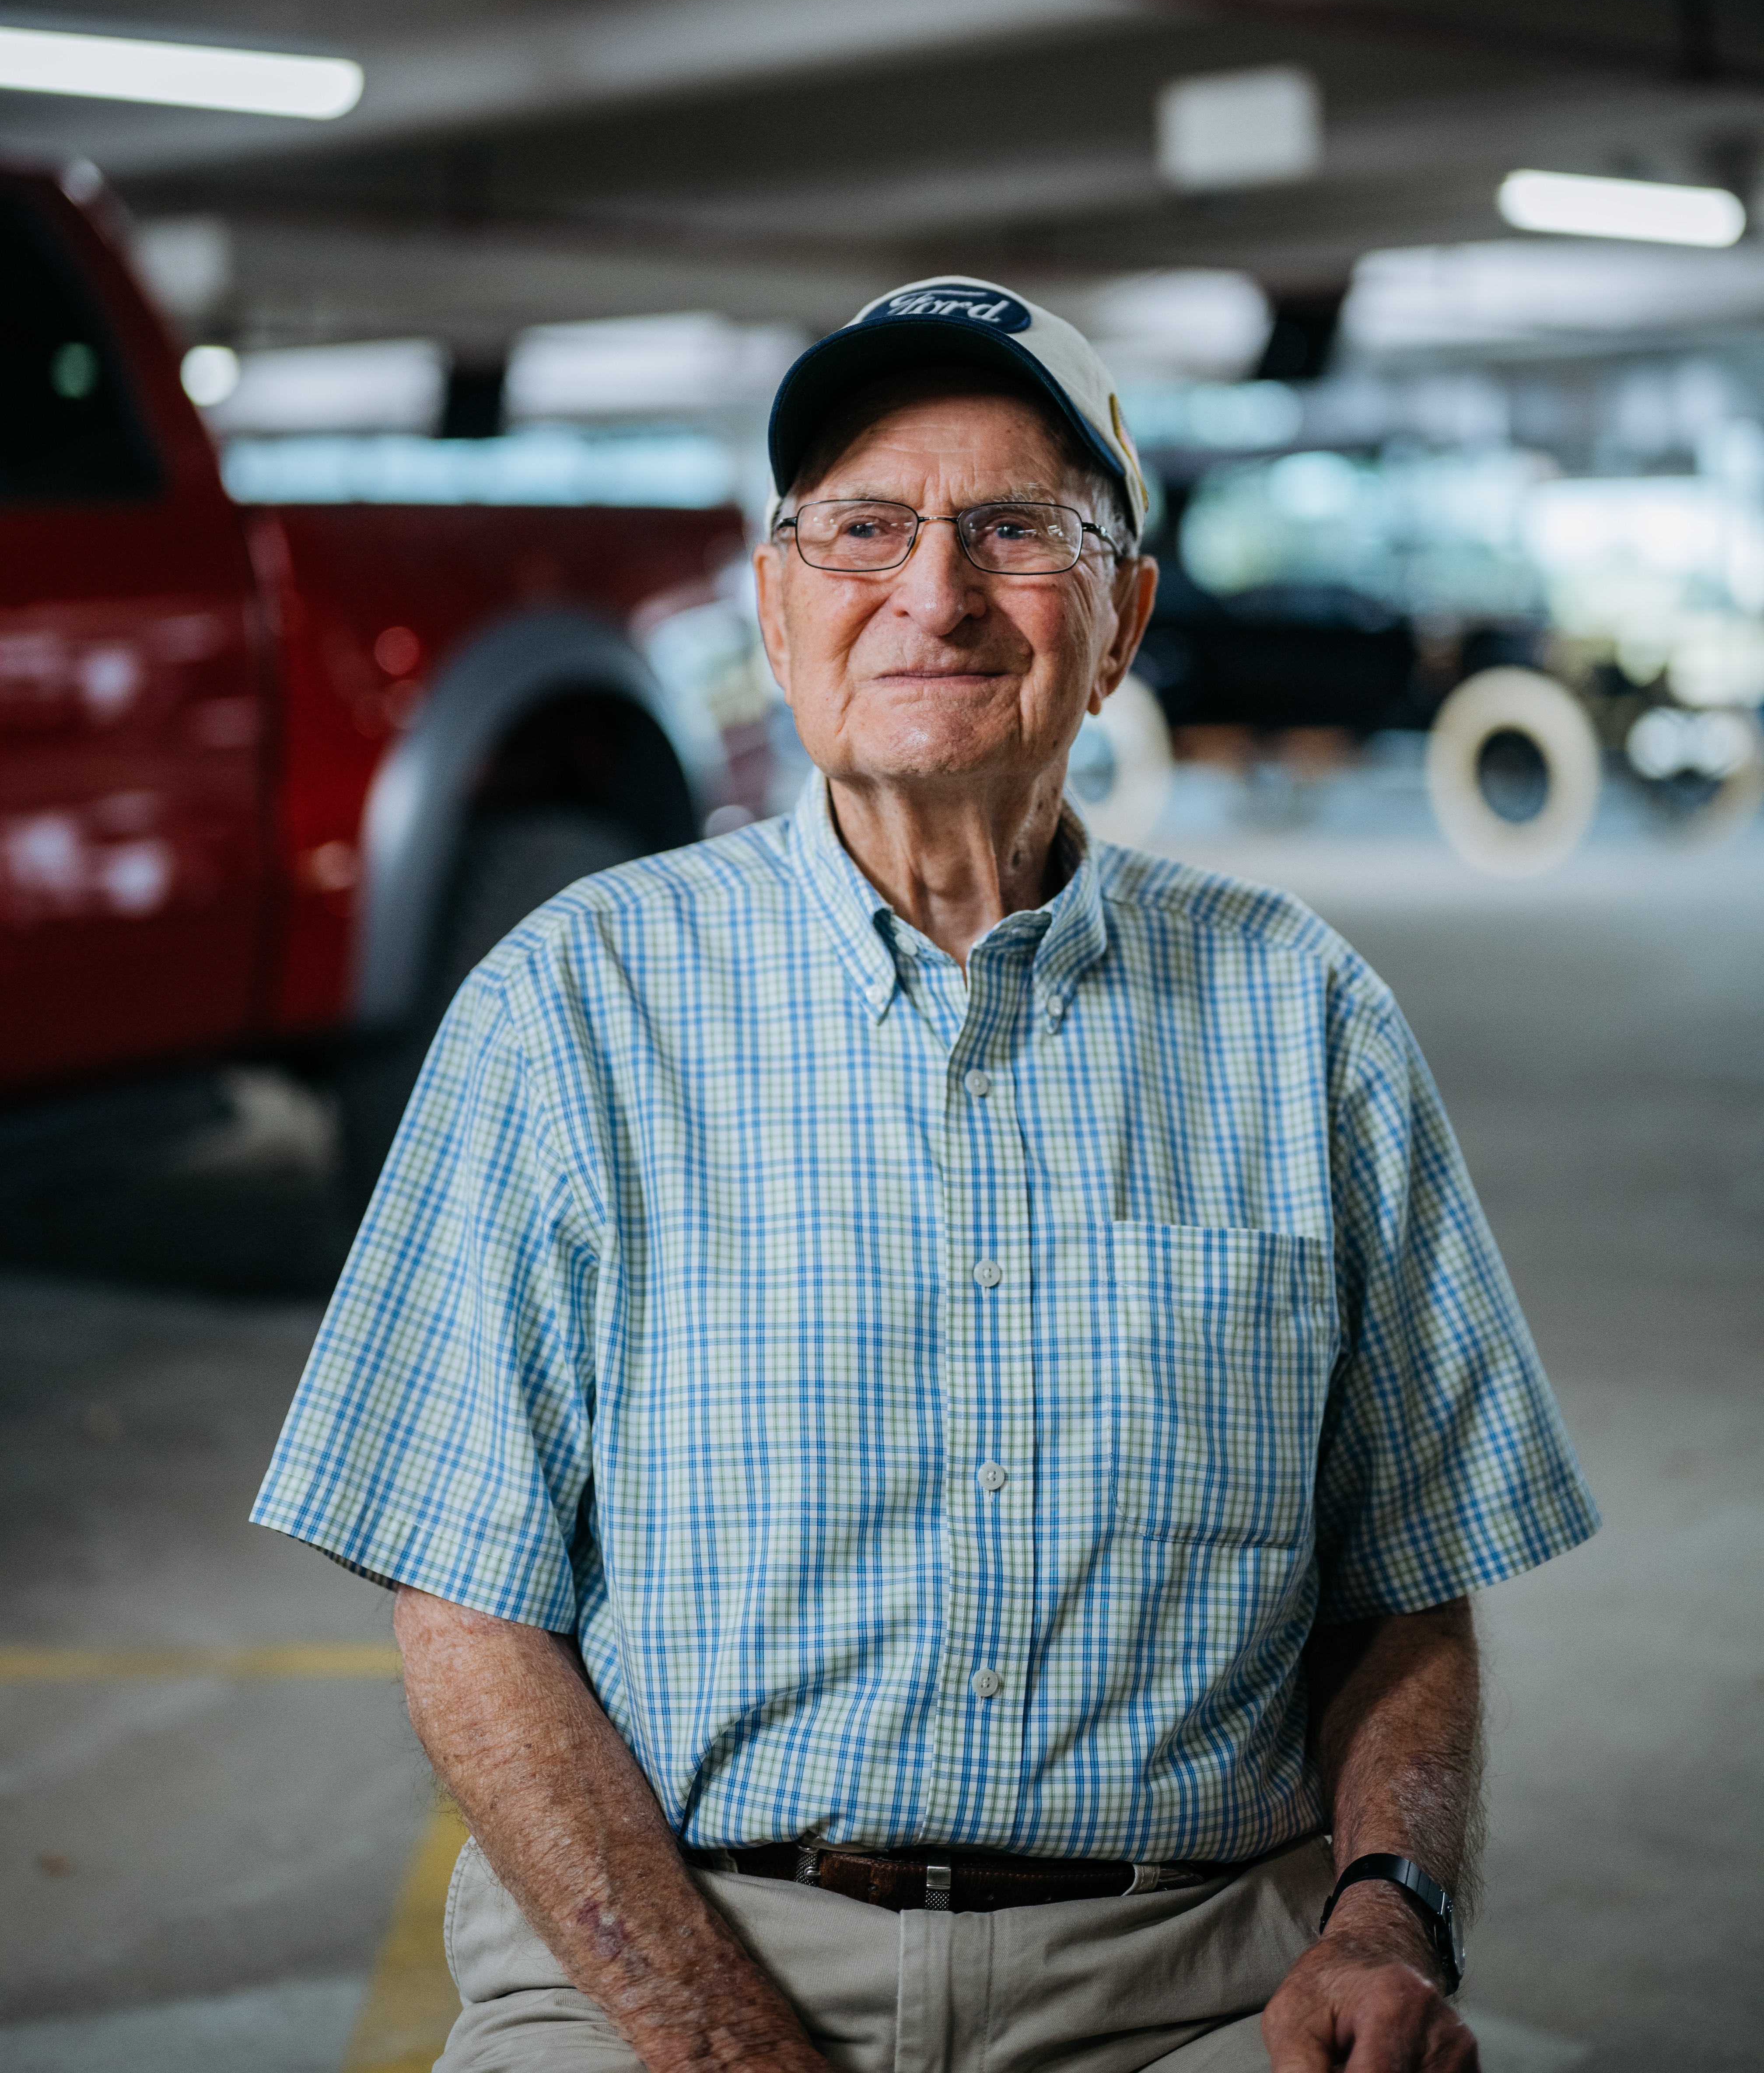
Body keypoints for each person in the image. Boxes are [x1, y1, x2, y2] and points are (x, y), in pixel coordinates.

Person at [254, 276, 1599, 2073]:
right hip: (663, 1962)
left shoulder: (1307, 1021)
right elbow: (473, 1619)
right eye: (863, 530)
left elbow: (1409, 1582)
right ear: (778, 608)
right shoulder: (570, 1010)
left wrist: (1384, 1916)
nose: (935, 592)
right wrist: (726, 2039)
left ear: (1119, 623)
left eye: (1013, 532)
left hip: (1190, 1981)